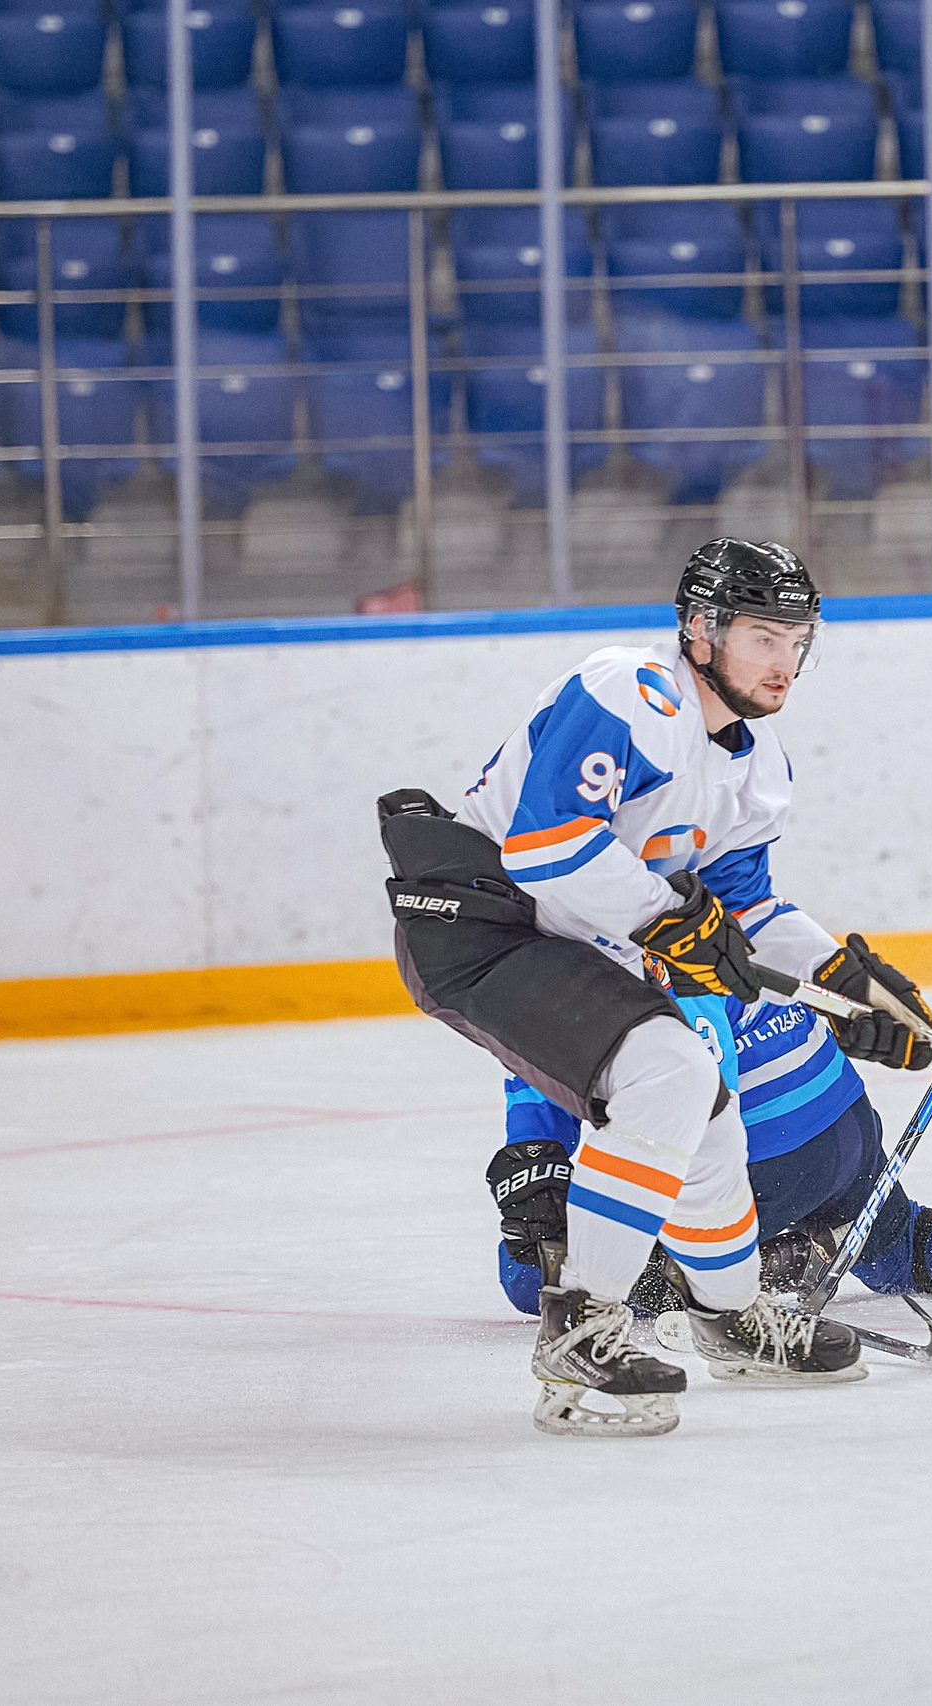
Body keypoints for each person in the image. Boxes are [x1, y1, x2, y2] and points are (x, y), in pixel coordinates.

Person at [382, 540, 891, 1438]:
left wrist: (843, 979)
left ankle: (731, 1317)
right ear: (700, 629)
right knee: (670, 1074)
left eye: (797, 641)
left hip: (572, 940)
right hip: (484, 930)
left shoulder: (756, 765)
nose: (784, 662)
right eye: (763, 638)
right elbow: (547, 845)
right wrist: (670, 918)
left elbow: (745, 905)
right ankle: (579, 1331)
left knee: (705, 1107)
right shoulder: (629, 691)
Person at [486, 979, 932, 1322]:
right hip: (845, 1130)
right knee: (894, 1242)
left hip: (765, 1155)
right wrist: (538, 1154)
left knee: (532, 1272)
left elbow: (693, 1096)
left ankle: (769, 1261)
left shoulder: (575, 947)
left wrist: (556, 1187)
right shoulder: (680, 886)